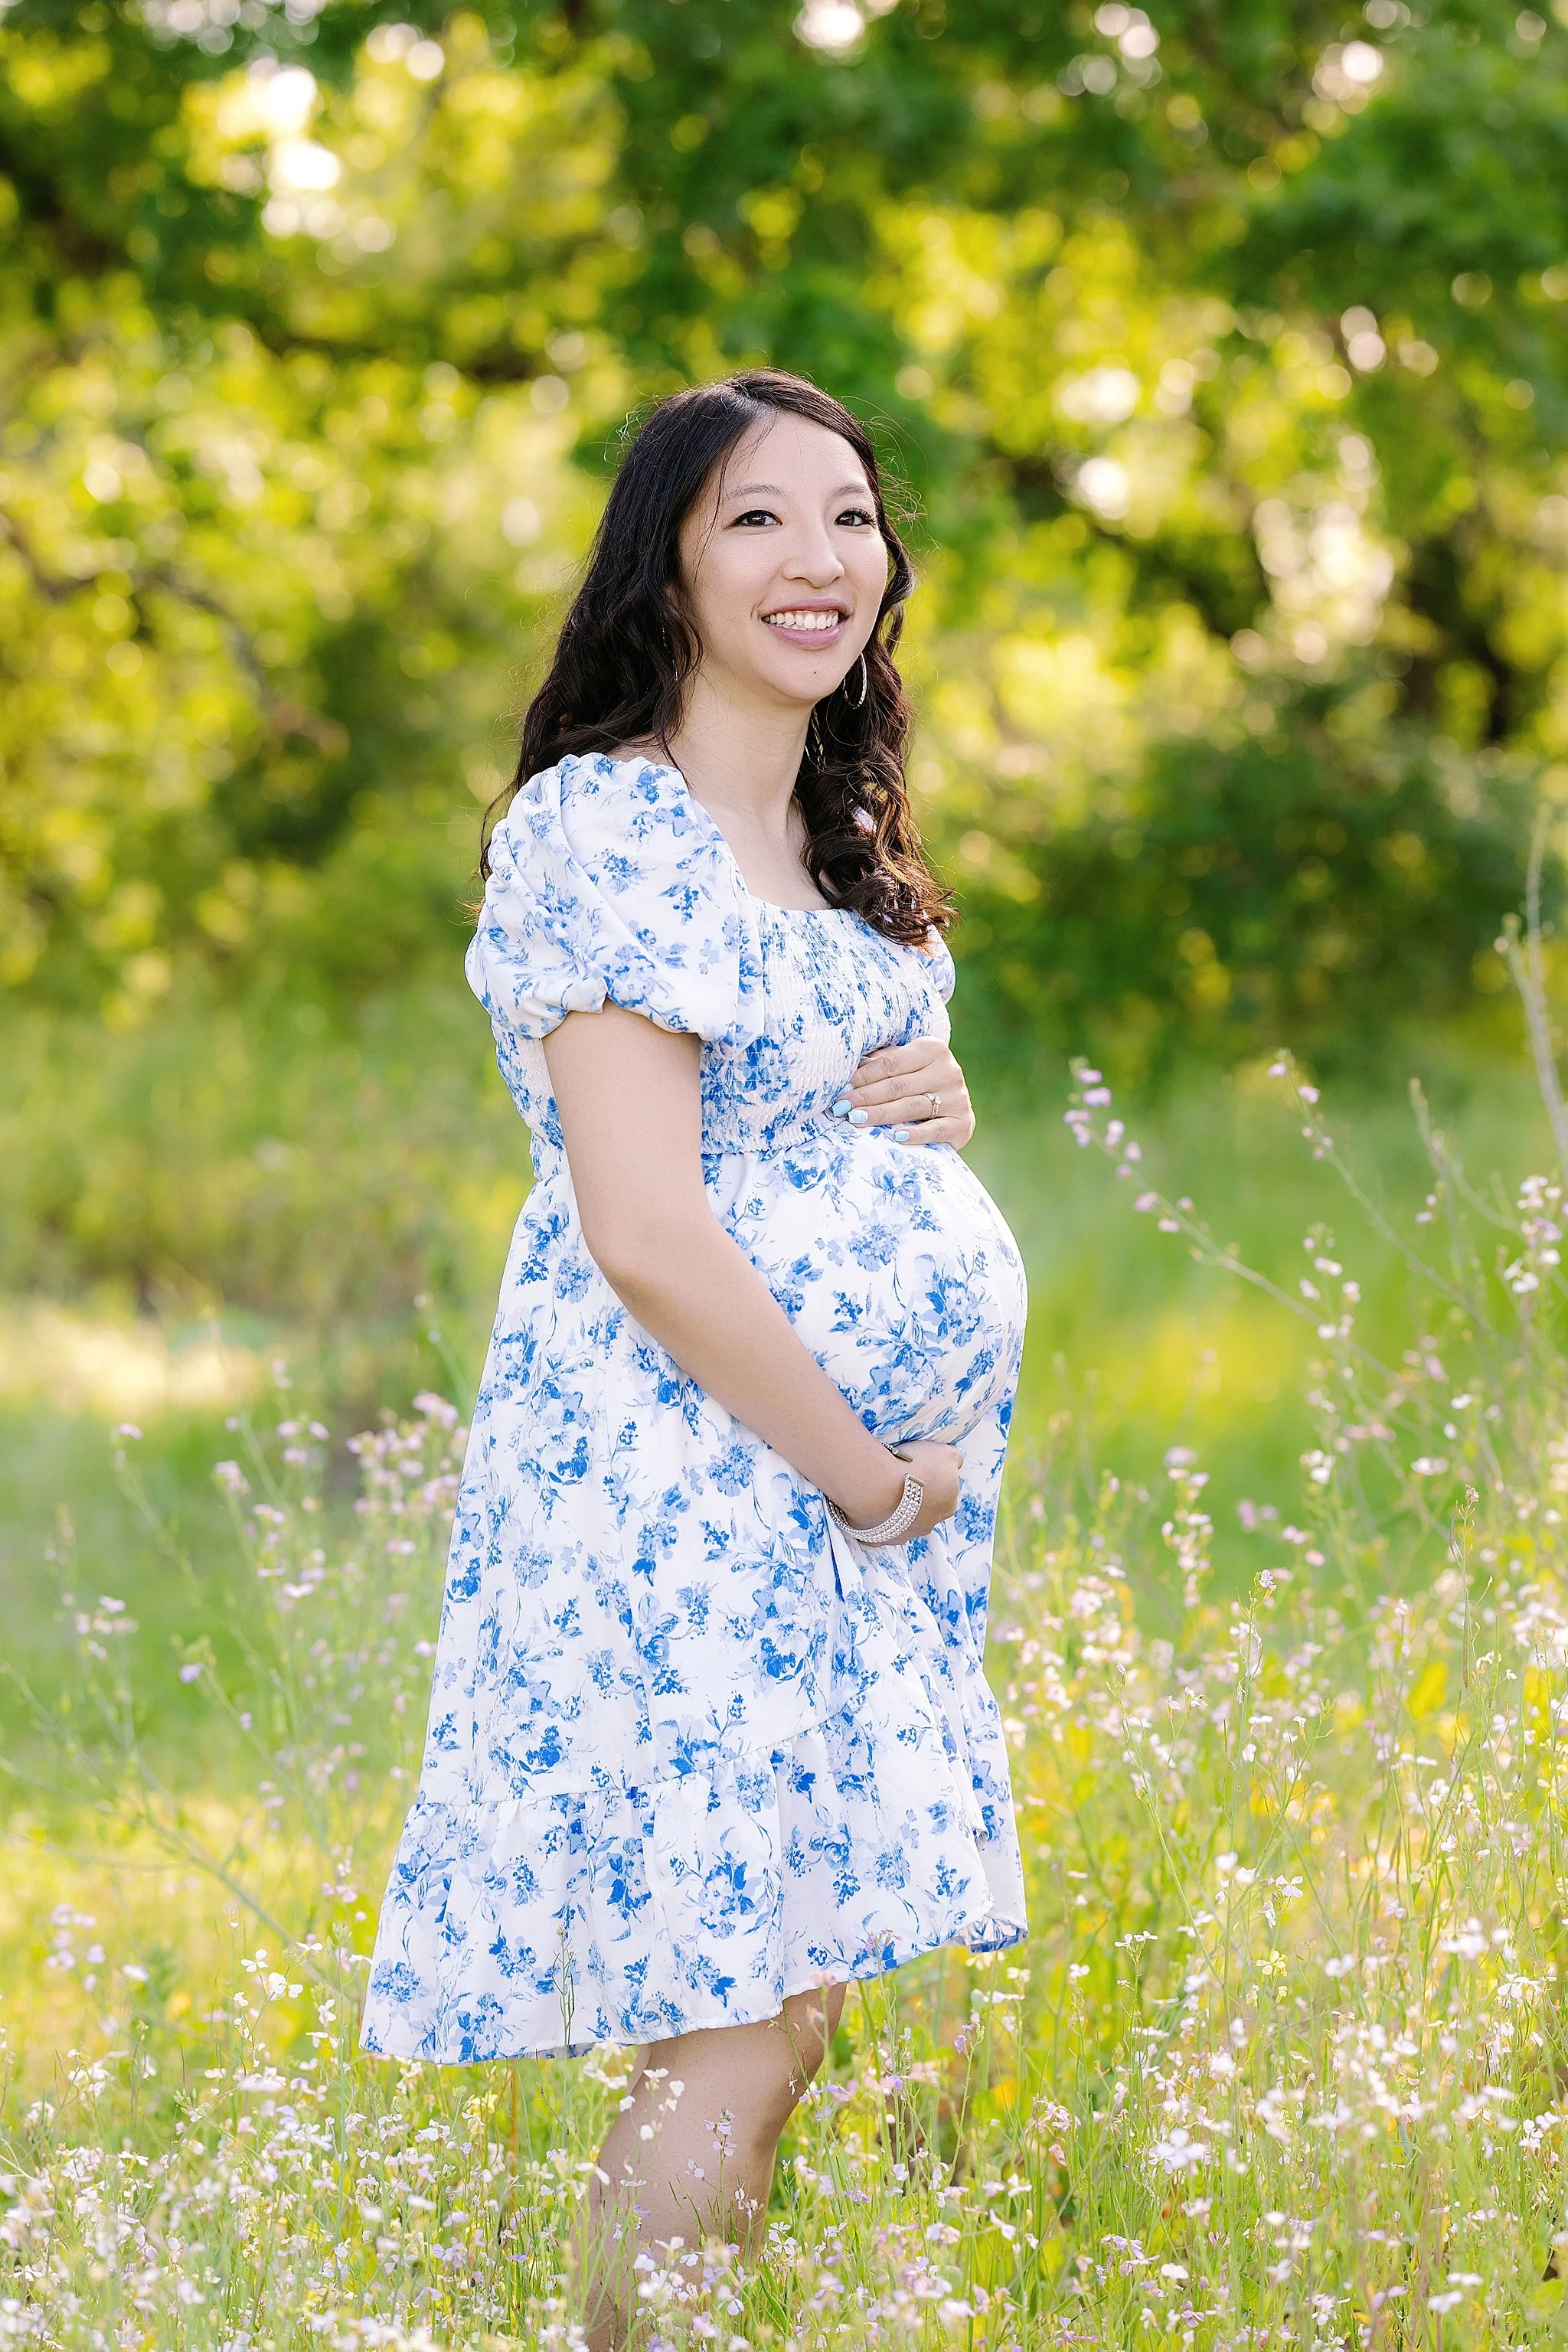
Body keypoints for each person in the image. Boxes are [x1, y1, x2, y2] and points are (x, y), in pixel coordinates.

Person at [361, 368, 1028, 2342]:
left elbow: (793, 1131)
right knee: (732, 2033)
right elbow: (643, 1227)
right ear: (664, 563)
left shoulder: (831, 849)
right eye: (755, 518)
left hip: (836, 1515)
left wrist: (923, 1119)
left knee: (788, 2013)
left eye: (848, 516)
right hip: (711, 1494)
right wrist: (866, 1469)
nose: (817, 559)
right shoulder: (607, 827)